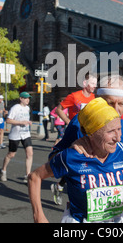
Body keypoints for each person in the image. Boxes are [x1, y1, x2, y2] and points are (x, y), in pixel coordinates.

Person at [28, 97, 123, 223]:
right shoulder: (73, 156)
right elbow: (34, 177)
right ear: (92, 133)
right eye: (111, 131)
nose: (118, 138)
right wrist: (39, 217)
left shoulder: (122, 151)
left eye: (119, 129)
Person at [50, 74, 123, 205]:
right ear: (98, 99)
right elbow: (52, 162)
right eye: (109, 103)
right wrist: (70, 150)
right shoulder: (80, 122)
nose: (115, 110)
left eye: (121, 104)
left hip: (112, 207)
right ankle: (60, 188)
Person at [50, 74, 97, 203]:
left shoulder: (94, 98)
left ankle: (60, 186)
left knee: (84, 163)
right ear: (85, 83)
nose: (95, 86)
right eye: (93, 83)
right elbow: (59, 110)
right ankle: (61, 186)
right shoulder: (74, 96)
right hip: (74, 133)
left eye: (96, 83)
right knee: (74, 161)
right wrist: (69, 122)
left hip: (87, 133)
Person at [0, 92, 33, 183]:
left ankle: (27, 175)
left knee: (29, 153)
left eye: (28, 98)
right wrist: (21, 122)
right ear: (21, 99)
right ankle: (3, 170)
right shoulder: (15, 108)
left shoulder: (27, 108)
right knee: (11, 154)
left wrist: (28, 122)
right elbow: (8, 120)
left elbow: (25, 119)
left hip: (26, 134)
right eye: (26, 98)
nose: (28, 100)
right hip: (15, 135)